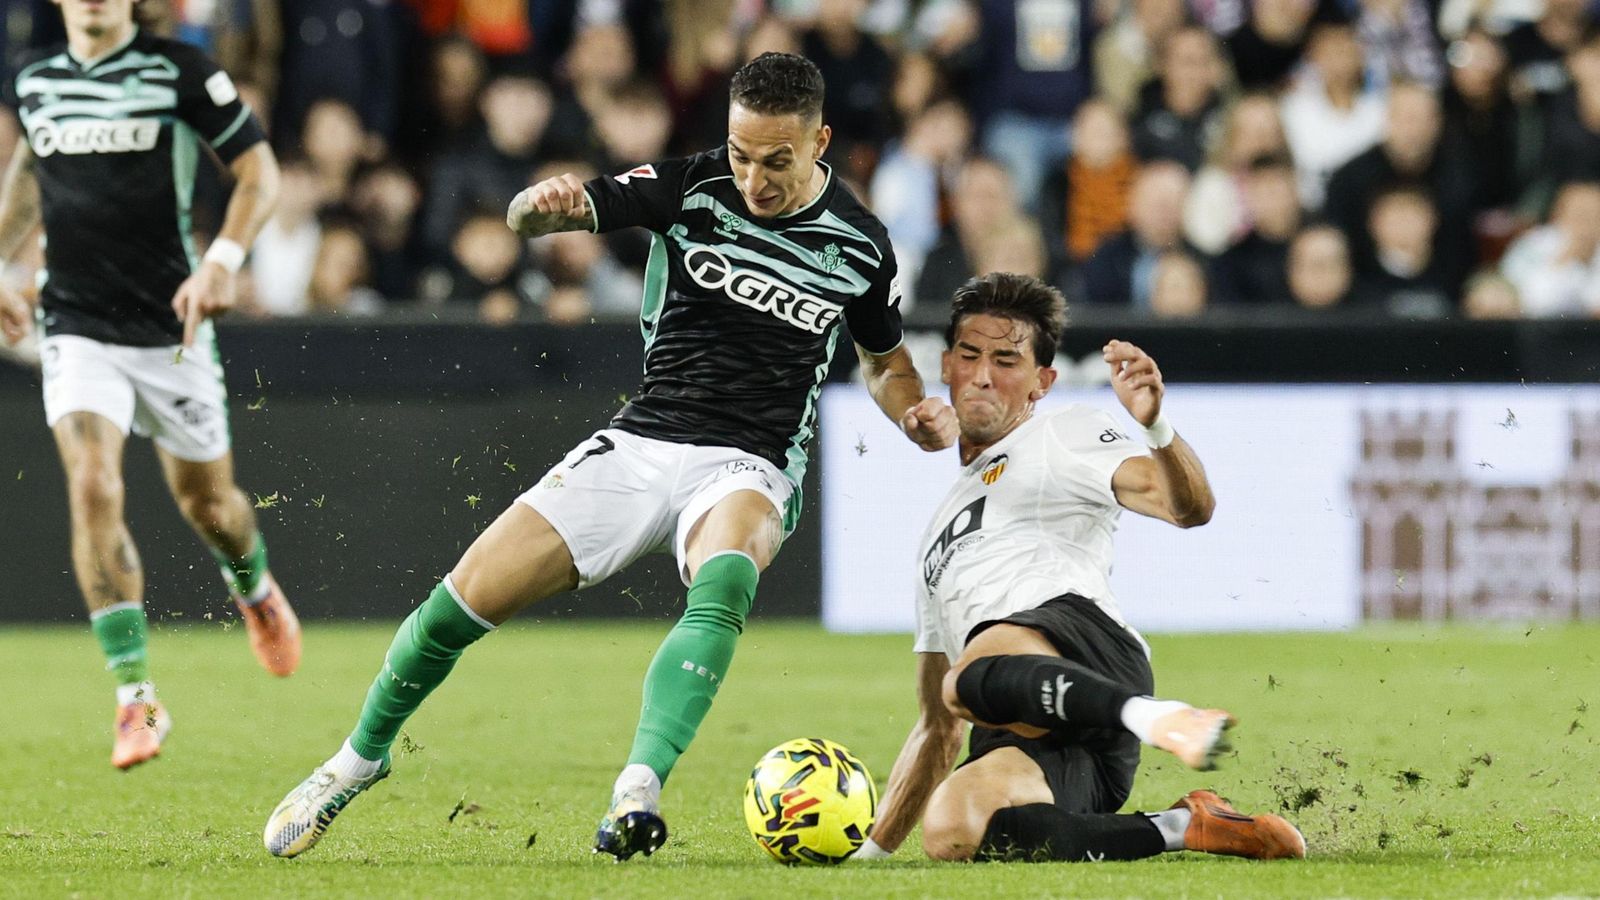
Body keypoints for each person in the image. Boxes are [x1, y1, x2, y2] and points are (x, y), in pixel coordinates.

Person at [263, 51, 957, 862]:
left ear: (820, 143)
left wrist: (914, 411)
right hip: (642, 441)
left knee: (728, 571)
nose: (754, 180)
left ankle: (638, 787)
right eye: (740, 155)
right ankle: (358, 759)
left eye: (777, 161)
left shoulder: (860, 245)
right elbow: (550, 215)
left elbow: (885, 361)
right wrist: (538, 208)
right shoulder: (689, 185)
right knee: (455, 607)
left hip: (752, 460)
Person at [857, 272, 1306, 864]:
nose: (983, 374)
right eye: (969, 355)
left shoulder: (1060, 434)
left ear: (1043, 382)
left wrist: (1155, 428)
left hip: (1085, 645)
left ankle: (1156, 716)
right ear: (946, 365)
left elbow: (1188, 508)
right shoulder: (934, 542)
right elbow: (940, 728)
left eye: (1006, 360)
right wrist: (874, 857)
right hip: (1037, 735)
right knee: (954, 830)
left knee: (970, 675)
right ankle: (1184, 824)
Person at [0, 0, 296, 771]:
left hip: (173, 325)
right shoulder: (34, 78)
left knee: (212, 507)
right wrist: (3, 262)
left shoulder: (181, 70)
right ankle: (136, 699)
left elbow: (260, 171)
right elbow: (34, 164)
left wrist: (222, 262)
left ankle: (254, 586)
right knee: (93, 481)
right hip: (74, 321)